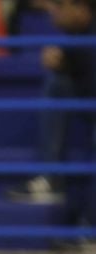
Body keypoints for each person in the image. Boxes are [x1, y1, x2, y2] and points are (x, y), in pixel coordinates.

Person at [9, 0, 96, 207]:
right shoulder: (79, 35)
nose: (52, 11)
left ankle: (88, 229)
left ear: (81, 9)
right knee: (58, 83)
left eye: (59, 5)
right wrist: (62, 62)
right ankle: (51, 178)